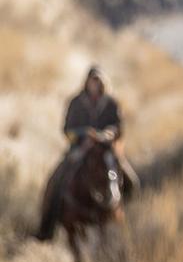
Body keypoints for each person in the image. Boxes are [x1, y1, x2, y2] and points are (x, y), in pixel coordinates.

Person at [37, 68, 137, 240]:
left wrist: (107, 135)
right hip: (80, 149)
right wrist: (85, 134)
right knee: (56, 181)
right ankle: (46, 230)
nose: (95, 84)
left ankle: (125, 220)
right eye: (93, 80)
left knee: (132, 182)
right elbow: (67, 130)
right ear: (87, 82)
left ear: (103, 83)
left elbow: (119, 128)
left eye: (98, 81)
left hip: (107, 150)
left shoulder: (111, 103)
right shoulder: (76, 102)